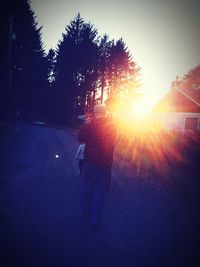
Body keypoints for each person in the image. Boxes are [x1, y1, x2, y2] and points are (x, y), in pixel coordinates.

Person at [78, 104, 117, 229]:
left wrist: (86, 125)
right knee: (99, 192)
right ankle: (95, 221)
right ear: (105, 113)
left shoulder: (90, 125)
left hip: (89, 162)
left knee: (87, 187)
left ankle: (85, 212)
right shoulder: (112, 126)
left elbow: (80, 139)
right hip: (104, 165)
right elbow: (111, 145)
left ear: (95, 112)